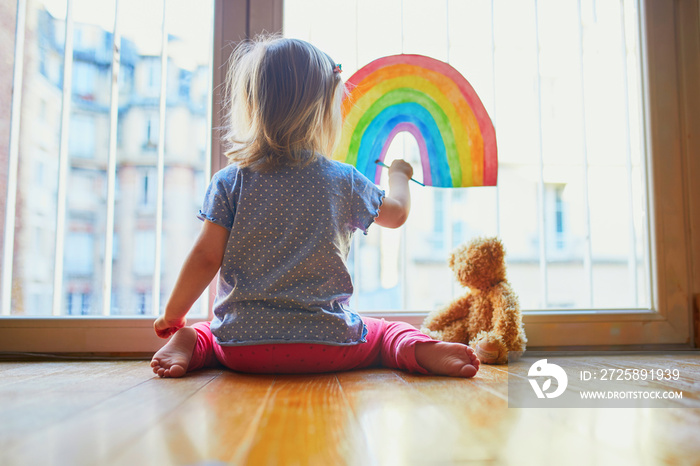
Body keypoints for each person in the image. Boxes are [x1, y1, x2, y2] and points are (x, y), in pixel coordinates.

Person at [150, 36, 479, 379]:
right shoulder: (343, 180)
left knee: (208, 331)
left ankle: (188, 341)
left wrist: (173, 315)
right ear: (324, 113)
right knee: (383, 333)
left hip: (243, 346)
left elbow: (205, 256)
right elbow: (396, 214)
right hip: (328, 343)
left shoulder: (230, 181)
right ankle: (417, 348)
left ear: (252, 104)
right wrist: (399, 174)